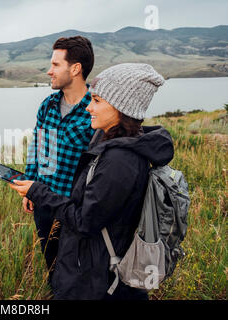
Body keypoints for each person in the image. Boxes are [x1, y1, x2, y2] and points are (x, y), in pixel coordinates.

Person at [11, 63, 174, 300]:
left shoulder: (120, 161)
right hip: (91, 268)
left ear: (121, 107)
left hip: (98, 281)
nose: (88, 107)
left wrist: (38, 191)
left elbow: (84, 221)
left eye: (97, 100)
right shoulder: (110, 141)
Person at [23, 36, 95, 286]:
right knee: (52, 267)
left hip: (75, 210)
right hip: (44, 203)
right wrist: (30, 187)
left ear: (75, 69)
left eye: (55, 64)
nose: (49, 70)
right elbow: (37, 147)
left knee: (78, 271)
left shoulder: (95, 110)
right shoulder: (48, 105)